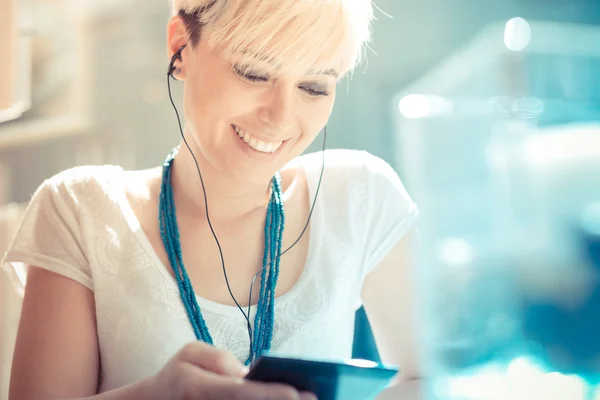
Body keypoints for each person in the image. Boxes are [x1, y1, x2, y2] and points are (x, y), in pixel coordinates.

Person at [2, 0, 421, 399]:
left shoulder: (360, 196)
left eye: (313, 87)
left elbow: (433, 382)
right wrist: (160, 396)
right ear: (180, 45)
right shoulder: (82, 211)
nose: (280, 116)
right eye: (254, 73)